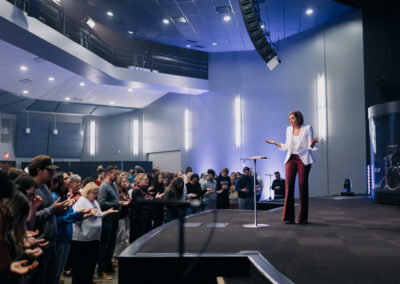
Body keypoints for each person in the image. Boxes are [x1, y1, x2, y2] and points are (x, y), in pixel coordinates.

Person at [264, 110, 319, 224]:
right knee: (288, 186)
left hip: (303, 159)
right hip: (290, 159)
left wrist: (313, 143)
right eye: (289, 119)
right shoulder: (289, 129)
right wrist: (276, 143)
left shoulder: (307, 128)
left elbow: (310, 145)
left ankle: (302, 218)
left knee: (303, 186)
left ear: (298, 118)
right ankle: (288, 217)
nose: (290, 121)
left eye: (292, 118)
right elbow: (288, 146)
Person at [71, 182, 117, 284]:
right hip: (81, 241)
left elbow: (98, 215)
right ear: (88, 192)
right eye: (95, 193)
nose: (97, 195)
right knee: (80, 269)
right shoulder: (81, 202)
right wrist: (87, 215)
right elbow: (75, 219)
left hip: (93, 240)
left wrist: (107, 212)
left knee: (90, 267)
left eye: (97, 193)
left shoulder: (95, 202)